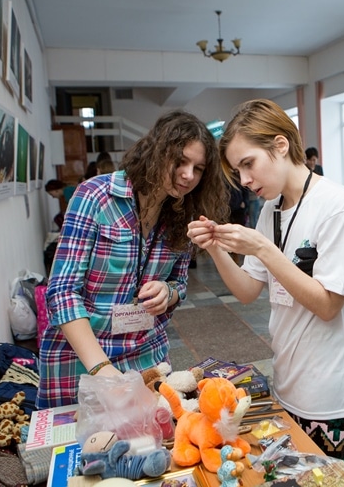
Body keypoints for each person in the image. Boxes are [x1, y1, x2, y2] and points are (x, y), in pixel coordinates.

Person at [187, 99, 344, 464]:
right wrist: (216, 248)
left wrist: (263, 249)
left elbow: (328, 306)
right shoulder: (271, 209)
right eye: (238, 170)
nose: (244, 180)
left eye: (248, 163)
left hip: (330, 392)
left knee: (327, 479)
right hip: (287, 380)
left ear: (281, 145)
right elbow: (247, 290)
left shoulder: (337, 204)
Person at [36, 110, 228, 409]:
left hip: (146, 358)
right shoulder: (96, 197)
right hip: (81, 361)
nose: (189, 175)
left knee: (153, 436)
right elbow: (62, 292)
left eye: (198, 168)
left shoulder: (182, 213)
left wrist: (168, 292)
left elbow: (179, 283)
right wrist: (102, 369)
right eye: (180, 161)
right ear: (156, 152)